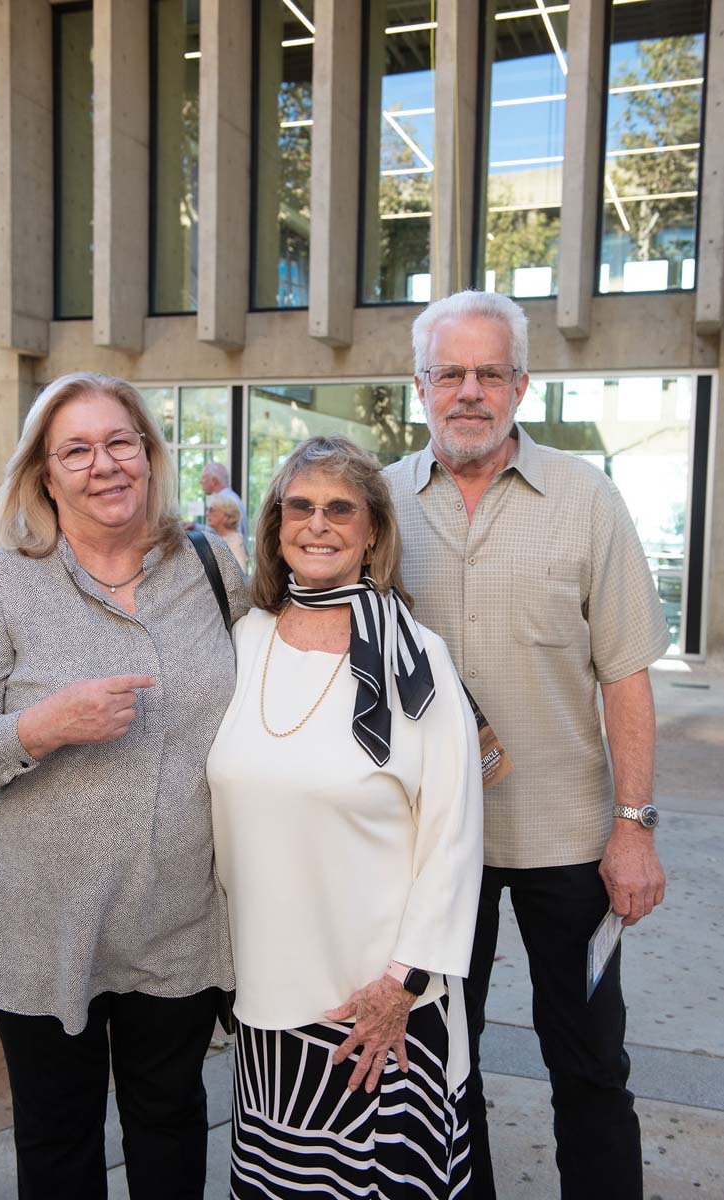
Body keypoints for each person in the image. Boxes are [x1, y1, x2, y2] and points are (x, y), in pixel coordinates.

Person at [0, 371, 249, 1200]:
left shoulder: (208, 567)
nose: (103, 464)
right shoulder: (3, 583)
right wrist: (41, 726)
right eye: (76, 450)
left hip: (177, 917)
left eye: (118, 442)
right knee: (59, 1135)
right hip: (42, 920)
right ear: (44, 473)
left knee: (171, 1120)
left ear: (148, 454)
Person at [384, 290, 670, 1200]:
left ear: (521, 384)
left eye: (489, 373)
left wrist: (633, 827)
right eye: (449, 374)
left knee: (590, 1064)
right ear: (420, 386)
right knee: (439, 1069)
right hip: (430, 849)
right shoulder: (377, 504)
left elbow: (624, 675)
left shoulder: (586, 498)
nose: (469, 392)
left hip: (567, 840)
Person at [208, 435, 484, 1199]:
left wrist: (401, 984)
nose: (318, 524)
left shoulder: (417, 659)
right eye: (299, 507)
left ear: (372, 531)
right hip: (266, 993)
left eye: (340, 509)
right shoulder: (241, 643)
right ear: (275, 527)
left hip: (379, 1002)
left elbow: (454, 836)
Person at [201, 460, 249, 540]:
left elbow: (233, 532)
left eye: (203, 478)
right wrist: (196, 527)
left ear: (214, 481)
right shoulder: (230, 498)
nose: (201, 481)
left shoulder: (228, 501)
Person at [206, 493, 248, 572]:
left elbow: (239, 574)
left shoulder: (234, 541)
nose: (207, 514)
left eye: (212, 510)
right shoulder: (224, 538)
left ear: (226, 515)